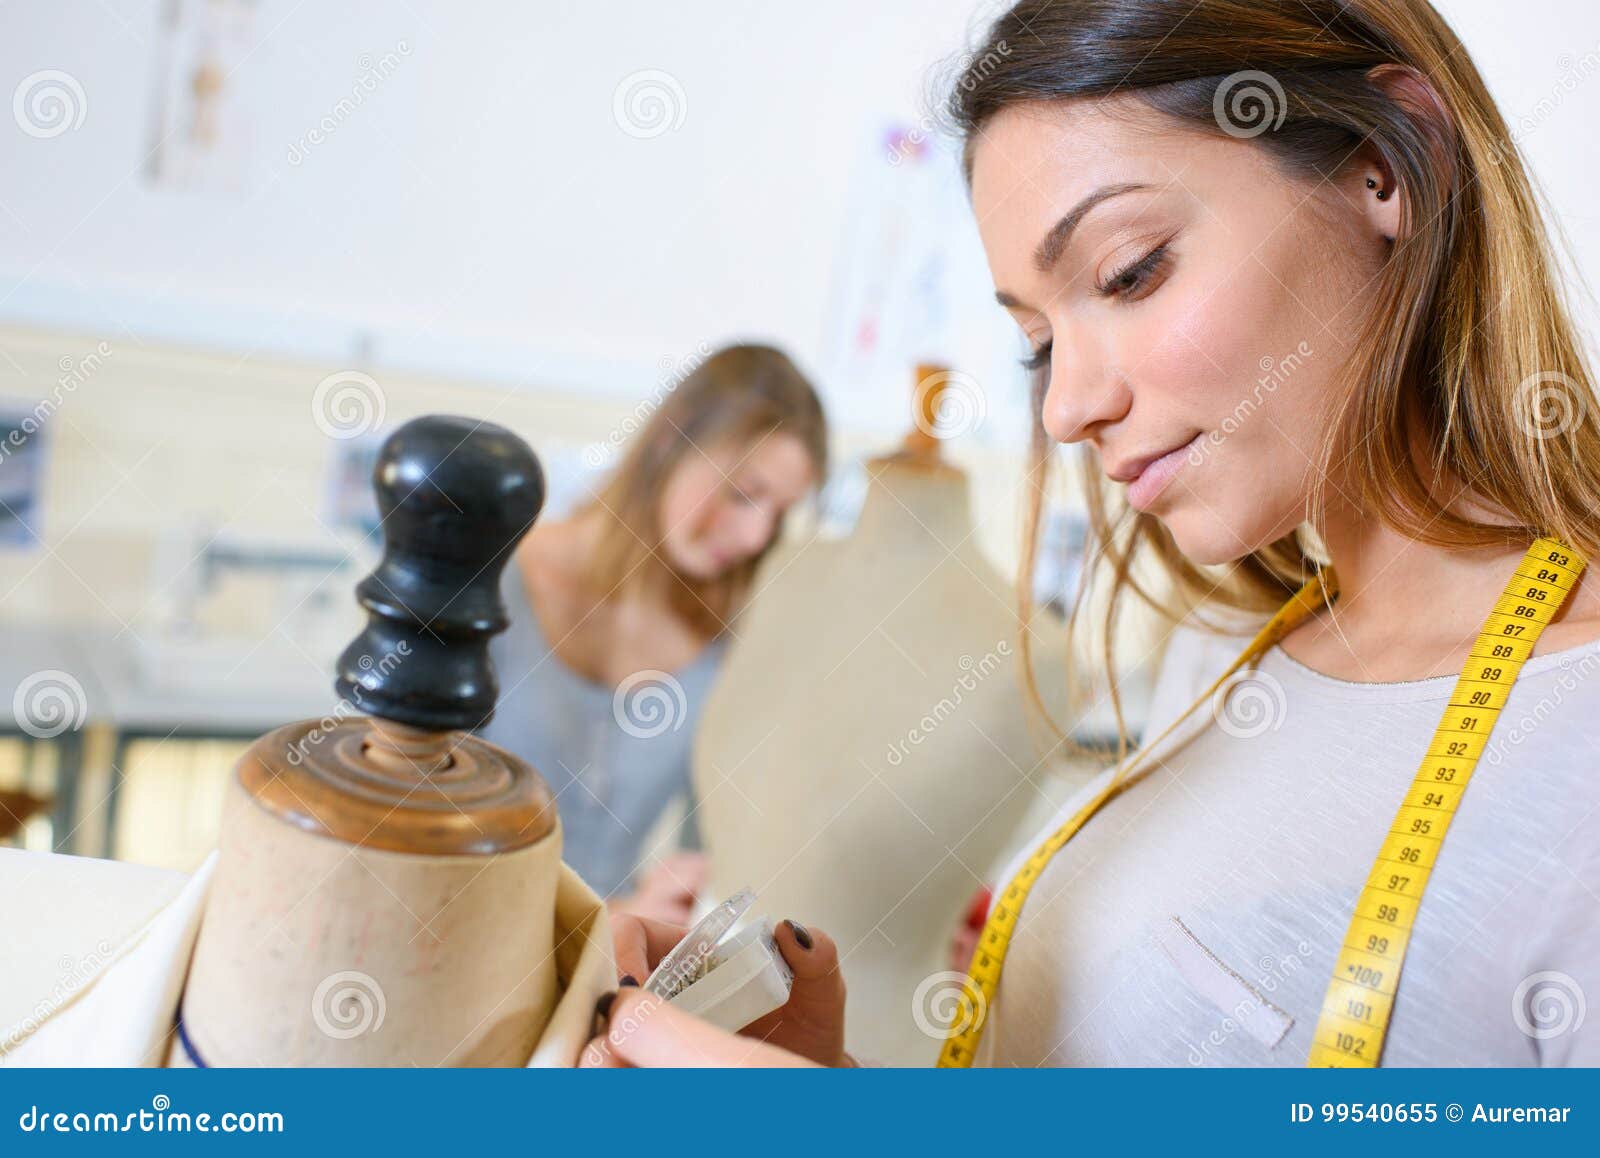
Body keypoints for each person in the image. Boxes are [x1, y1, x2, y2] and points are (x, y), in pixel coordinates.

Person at [580, 0, 1600, 1066]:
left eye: (1128, 271)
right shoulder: (1222, 665)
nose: (1064, 408)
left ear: (1387, 167)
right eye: (1034, 342)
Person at [483, 344, 827, 925]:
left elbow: (708, 854)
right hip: (448, 958)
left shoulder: (727, 639)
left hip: (603, 985)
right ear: (670, 440)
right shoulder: (491, 583)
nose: (753, 537)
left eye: (778, 513)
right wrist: (608, 919)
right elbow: (392, 831)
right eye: (744, 495)